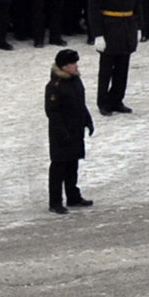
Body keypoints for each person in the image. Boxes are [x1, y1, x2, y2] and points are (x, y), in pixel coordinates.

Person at [87, 0, 140, 115]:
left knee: (123, 67)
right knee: (106, 69)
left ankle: (117, 99)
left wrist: (139, 27)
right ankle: (103, 102)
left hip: (127, 27)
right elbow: (93, 10)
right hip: (110, 28)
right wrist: (98, 35)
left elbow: (138, 4)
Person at [44, 48, 95, 215]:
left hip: (75, 130)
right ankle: (55, 201)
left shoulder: (75, 80)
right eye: (72, 63)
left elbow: (81, 103)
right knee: (59, 168)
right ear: (64, 66)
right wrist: (62, 132)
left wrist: (87, 120)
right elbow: (52, 112)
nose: (76, 66)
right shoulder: (55, 86)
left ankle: (73, 196)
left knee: (73, 165)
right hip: (62, 133)